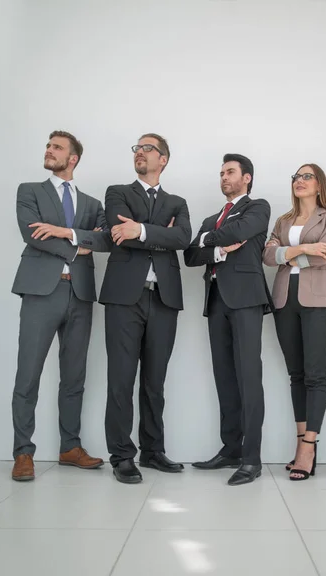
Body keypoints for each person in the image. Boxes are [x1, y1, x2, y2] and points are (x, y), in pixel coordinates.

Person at [11, 130, 112, 482]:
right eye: (48, 146)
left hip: (80, 294)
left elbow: (105, 239)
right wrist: (77, 247)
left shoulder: (91, 203)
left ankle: (70, 447)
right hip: (41, 292)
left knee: (74, 377)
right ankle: (23, 453)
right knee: (28, 374)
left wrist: (65, 232)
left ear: (73, 158)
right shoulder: (30, 191)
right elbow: (31, 233)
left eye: (56, 147)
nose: (48, 150)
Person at [99, 133, 191, 484]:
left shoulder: (177, 201)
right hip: (124, 297)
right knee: (120, 379)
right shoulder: (117, 192)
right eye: (136, 148)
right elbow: (117, 230)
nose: (139, 152)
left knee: (155, 380)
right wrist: (154, 233)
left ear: (163, 159)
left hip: (164, 297)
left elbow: (182, 238)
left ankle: (153, 451)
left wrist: (139, 228)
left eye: (147, 148)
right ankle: (122, 454)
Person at [184, 154, 272, 486]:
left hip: (246, 299)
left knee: (249, 376)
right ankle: (231, 449)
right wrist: (215, 248)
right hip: (216, 300)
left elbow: (243, 229)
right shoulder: (211, 219)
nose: (223, 177)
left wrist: (207, 239)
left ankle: (252, 459)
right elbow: (191, 254)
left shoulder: (257, 207)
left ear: (246, 178)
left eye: (230, 172)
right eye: (221, 173)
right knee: (225, 376)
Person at [263, 164, 326, 481]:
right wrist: (304, 248)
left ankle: (308, 447)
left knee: (315, 374)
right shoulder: (283, 220)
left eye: (307, 176)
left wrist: (289, 254)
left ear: (319, 185)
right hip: (284, 298)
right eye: (296, 176)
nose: (300, 181)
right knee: (296, 374)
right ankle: (300, 444)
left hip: (315, 300)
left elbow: (325, 256)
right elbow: (266, 256)